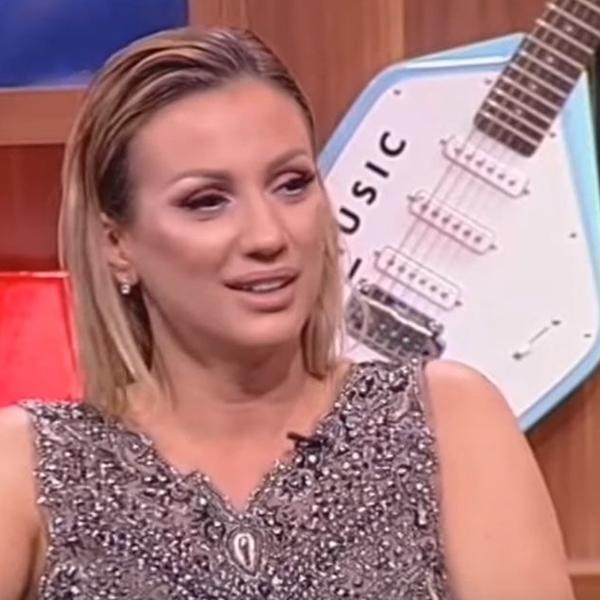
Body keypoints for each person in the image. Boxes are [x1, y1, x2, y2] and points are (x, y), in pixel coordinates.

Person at [0, 27, 574, 600]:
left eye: (292, 184)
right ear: (116, 244)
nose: (268, 235)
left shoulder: (447, 419)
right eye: (207, 201)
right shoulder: (27, 466)